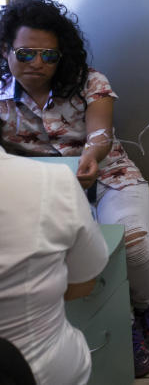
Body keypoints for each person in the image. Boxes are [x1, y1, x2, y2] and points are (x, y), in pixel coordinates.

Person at [0, 0, 149, 378]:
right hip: (40, 193)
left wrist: (92, 156)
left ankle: (148, 306)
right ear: (6, 50)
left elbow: (100, 133)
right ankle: (123, 324)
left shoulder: (89, 81)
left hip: (108, 177)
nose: (39, 64)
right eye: (26, 54)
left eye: (49, 55)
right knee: (71, 258)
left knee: (133, 244)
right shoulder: (0, 93)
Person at [0, 149, 108, 385]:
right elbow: (82, 283)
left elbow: (100, 134)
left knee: (137, 243)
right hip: (44, 368)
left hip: (103, 177)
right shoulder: (51, 180)